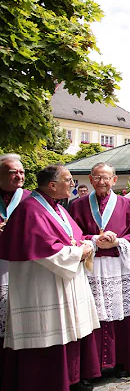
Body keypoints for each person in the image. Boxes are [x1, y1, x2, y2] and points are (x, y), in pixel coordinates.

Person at [1, 164, 100, 391]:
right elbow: (46, 249)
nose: (73, 184)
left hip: (62, 281)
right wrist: (80, 252)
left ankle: (71, 379)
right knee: (49, 334)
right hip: (41, 284)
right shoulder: (30, 210)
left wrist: (87, 242)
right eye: (68, 180)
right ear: (52, 185)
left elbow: (71, 236)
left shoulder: (57, 207)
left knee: (69, 330)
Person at [68, 162, 130, 378]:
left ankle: (123, 361)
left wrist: (117, 242)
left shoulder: (128, 205)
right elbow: (72, 235)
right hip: (91, 267)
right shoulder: (77, 205)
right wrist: (93, 239)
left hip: (118, 266)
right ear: (90, 180)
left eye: (106, 178)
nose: (102, 182)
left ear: (114, 179)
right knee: (93, 315)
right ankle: (94, 366)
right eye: (97, 178)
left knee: (122, 315)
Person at [0, 154, 31, 384]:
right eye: (13, 172)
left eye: (21, 172)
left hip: (23, 265)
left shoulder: (31, 199)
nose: (19, 176)